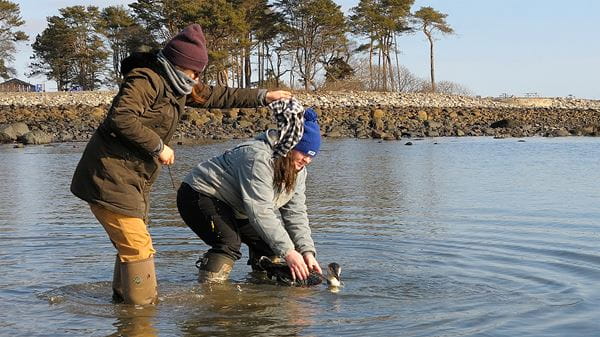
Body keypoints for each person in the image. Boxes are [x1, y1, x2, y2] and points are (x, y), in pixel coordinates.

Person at [70, 23, 291, 305]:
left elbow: (218, 95)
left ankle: (126, 310)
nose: (197, 78)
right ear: (176, 63)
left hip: (133, 179)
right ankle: (142, 315)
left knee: (132, 246)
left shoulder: (180, 85)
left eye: (200, 73)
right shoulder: (146, 79)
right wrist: (157, 145)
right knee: (138, 248)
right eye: (194, 71)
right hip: (108, 175)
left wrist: (263, 96)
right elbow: (121, 117)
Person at [176, 102, 323, 284]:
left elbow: (296, 213)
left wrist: (307, 252)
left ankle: (259, 287)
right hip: (200, 194)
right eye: (303, 153)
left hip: (239, 205)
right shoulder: (258, 158)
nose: (307, 160)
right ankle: (211, 293)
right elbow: (260, 211)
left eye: (312, 156)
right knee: (229, 243)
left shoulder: (299, 171)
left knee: (270, 246)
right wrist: (289, 253)